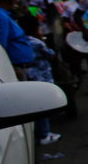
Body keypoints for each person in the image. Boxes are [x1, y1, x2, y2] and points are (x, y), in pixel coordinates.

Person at [17, 14, 61, 145]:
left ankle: (39, 132)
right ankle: (43, 134)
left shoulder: (19, 42)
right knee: (42, 107)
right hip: (41, 78)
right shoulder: (36, 42)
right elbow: (50, 54)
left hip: (28, 77)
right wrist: (42, 39)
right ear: (37, 28)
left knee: (33, 107)